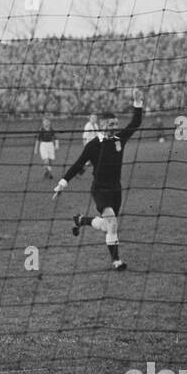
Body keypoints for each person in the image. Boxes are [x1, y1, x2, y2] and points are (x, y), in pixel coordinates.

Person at [53, 92, 144, 270]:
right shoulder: (93, 145)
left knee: (107, 225)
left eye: (116, 124)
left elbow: (136, 123)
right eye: (111, 124)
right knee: (112, 224)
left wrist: (137, 102)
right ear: (102, 125)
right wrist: (62, 183)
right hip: (100, 189)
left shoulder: (119, 139)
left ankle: (81, 220)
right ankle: (116, 261)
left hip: (116, 189)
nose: (115, 126)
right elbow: (78, 164)